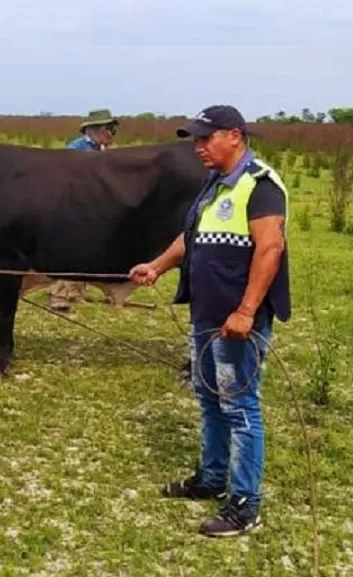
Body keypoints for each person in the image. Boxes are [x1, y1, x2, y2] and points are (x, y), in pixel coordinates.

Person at [128, 104, 290, 537]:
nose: (198, 146)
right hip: (206, 314)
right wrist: (158, 266)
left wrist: (246, 311)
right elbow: (192, 237)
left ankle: (245, 504)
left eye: (206, 138)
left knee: (240, 405)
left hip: (238, 321)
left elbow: (270, 249)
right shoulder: (216, 184)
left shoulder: (260, 185)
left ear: (234, 135)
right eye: (196, 139)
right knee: (209, 397)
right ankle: (213, 478)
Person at [50, 111, 121, 311]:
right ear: (97, 129)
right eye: (110, 129)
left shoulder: (104, 149)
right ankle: (60, 295)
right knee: (71, 249)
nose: (112, 133)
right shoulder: (76, 149)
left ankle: (76, 291)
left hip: (96, 205)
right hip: (75, 205)